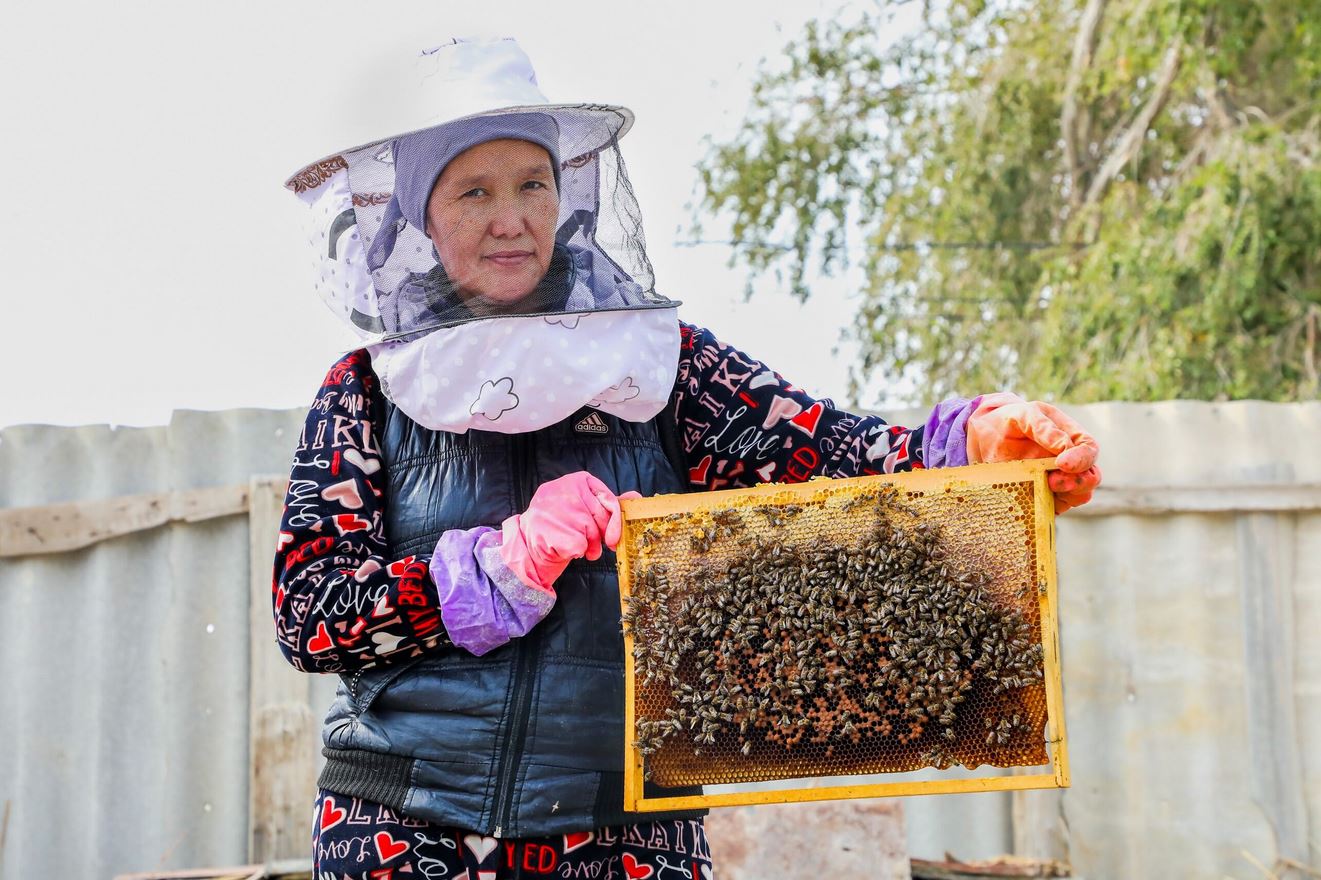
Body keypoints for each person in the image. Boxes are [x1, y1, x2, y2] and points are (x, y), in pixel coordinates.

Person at [274, 37, 1101, 879]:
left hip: (627, 833)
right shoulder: (367, 392)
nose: (510, 216)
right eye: (472, 192)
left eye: (532, 184)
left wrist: (970, 450)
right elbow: (309, 612)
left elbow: (837, 458)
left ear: (567, 194)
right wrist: (491, 567)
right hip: (405, 826)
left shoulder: (665, 365)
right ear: (418, 215)